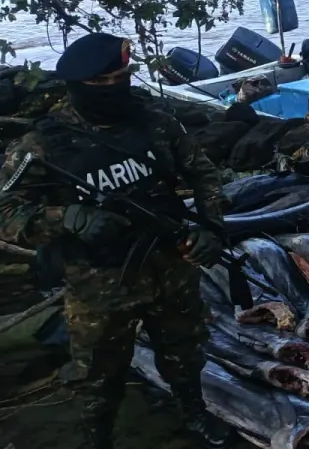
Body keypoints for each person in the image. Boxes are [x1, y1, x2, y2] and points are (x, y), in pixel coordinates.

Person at [0, 33, 231, 449]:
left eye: (123, 77)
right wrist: (68, 218)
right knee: (97, 371)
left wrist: (210, 228)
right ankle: (98, 437)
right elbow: (7, 212)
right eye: (105, 83)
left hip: (169, 262)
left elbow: (204, 174)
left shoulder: (154, 120)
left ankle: (194, 414)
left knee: (185, 349)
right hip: (98, 281)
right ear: (79, 86)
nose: (118, 88)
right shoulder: (43, 144)